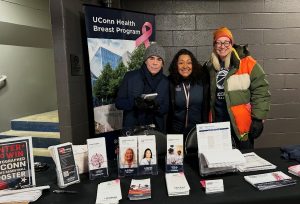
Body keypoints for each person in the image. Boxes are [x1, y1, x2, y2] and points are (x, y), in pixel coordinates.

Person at [203, 27, 271, 150]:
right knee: (221, 164)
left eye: (226, 42)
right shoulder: (210, 66)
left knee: (245, 163)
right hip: (218, 125)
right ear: (214, 45)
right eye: (218, 42)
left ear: (231, 43)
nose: (222, 46)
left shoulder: (246, 62)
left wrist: (258, 118)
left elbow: (261, 89)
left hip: (241, 126)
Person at [115, 43, 169, 133]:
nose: (155, 63)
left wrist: (156, 106)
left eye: (159, 59)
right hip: (132, 131)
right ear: (145, 60)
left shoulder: (166, 81)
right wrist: (134, 102)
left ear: (162, 64)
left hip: (156, 131)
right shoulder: (130, 77)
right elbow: (118, 103)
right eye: (151, 58)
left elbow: (166, 108)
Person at [167, 49, 210, 140]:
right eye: (181, 63)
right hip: (176, 133)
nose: (185, 66)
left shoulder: (202, 82)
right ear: (176, 65)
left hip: (198, 132)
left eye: (189, 63)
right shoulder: (170, 82)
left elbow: (207, 107)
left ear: (193, 65)